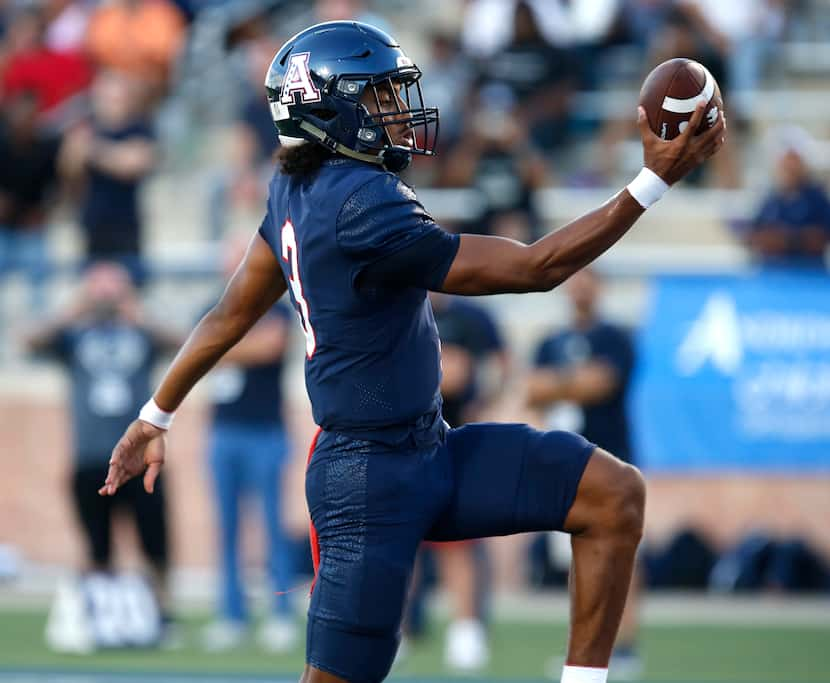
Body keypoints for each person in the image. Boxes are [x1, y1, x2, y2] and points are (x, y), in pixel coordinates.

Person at [100, 21, 724, 683]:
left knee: (611, 493)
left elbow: (229, 312)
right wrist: (648, 185)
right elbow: (535, 268)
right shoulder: (361, 203)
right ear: (327, 105)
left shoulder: (295, 185)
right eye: (379, 97)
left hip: (430, 448)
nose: (398, 112)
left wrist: (156, 413)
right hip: (368, 479)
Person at [22, 261, 181, 638]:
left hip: (141, 459)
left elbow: (184, 343)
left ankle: (163, 612)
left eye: (114, 288)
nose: (107, 298)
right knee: (97, 545)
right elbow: (28, 339)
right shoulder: (75, 335)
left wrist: (137, 315)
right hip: (92, 457)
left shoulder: (140, 331)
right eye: (101, 289)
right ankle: (101, 615)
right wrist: (73, 310)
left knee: (154, 541)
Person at [526, 267, 641, 680]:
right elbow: (530, 391)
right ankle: (584, 650)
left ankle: (625, 645)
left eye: (589, 278)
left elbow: (602, 384)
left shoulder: (616, 337)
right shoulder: (549, 340)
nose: (580, 286)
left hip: (612, 456)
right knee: (579, 555)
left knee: (620, 551)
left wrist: (557, 383)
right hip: (567, 460)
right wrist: (572, 383)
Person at [200, 234, 297, 653]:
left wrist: (224, 346)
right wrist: (236, 347)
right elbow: (199, 353)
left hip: (265, 430)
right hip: (223, 431)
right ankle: (232, 613)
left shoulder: (275, 307)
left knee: (274, 527)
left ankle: (280, 613)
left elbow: (271, 346)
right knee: (226, 528)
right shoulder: (211, 308)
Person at [743, 126, 830, 268]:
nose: (790, 165)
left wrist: (787, 240)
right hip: (773, 275)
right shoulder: (769, 198)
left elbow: (819, 239)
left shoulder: (817, 198)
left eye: (794, 159)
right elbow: (755, 237)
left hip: (808, 275)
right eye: (786, 159)